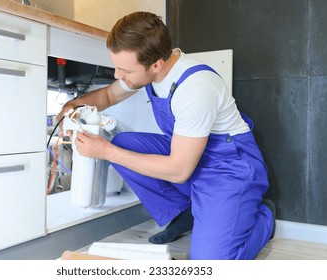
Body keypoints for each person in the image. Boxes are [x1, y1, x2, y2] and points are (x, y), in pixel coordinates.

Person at [57, 11, 275, 260]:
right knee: (124, 144)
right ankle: (184, 213)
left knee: (211, 264)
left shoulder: (195, 88)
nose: (118, 75)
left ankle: (263, 218)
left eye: (124, 70)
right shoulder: (149, 69)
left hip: (229, 168)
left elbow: (179, 170)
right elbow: (107, 96)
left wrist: (107, 152)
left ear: (156, 64)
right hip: (191, 157)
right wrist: (72, 105)